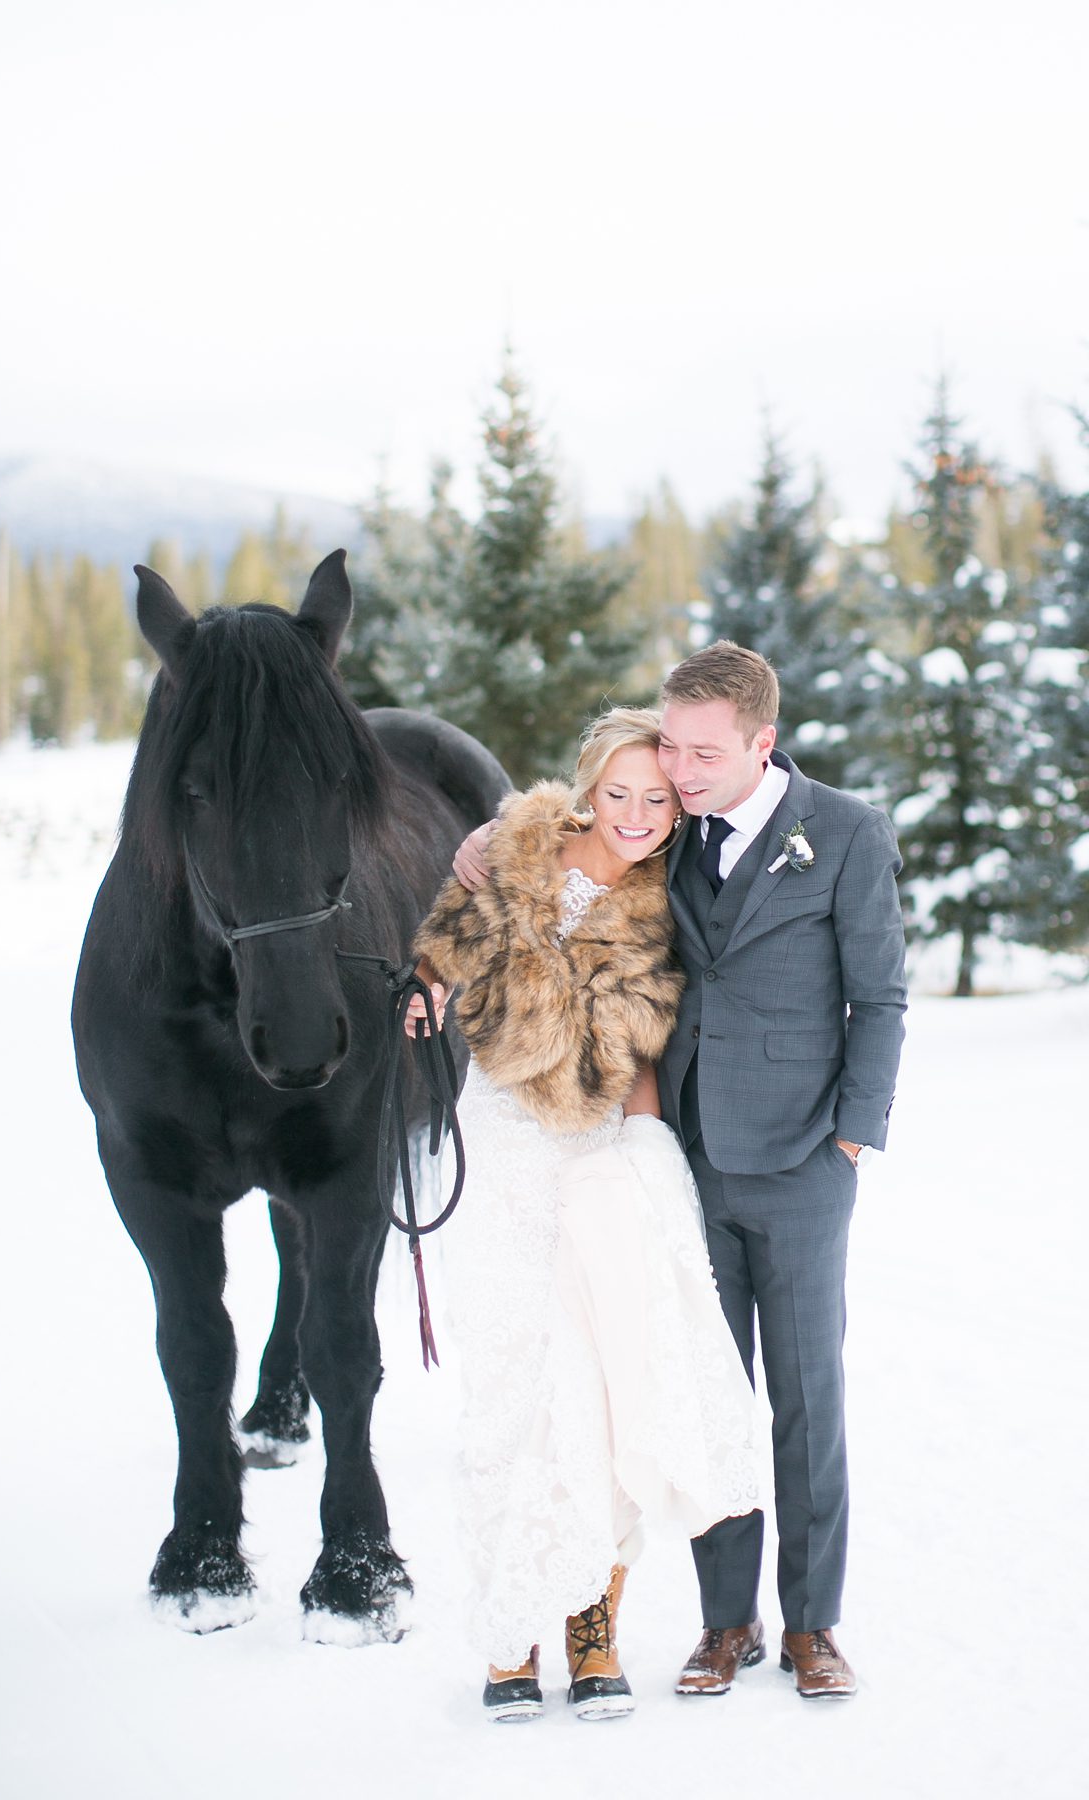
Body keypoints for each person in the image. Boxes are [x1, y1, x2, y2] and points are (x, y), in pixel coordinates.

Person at [452, 644, 907, 1702]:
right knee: (703, 1390)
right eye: (673, 748)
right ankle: (724, 1623)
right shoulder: (667, 825)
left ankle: (814, 1627)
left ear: (763, 743)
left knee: (807, 1399)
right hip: (686, 1156)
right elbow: (574, 833)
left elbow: (880, 997)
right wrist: (489, 839)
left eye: (705, 753)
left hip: (802, 1158)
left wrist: (853, 1135)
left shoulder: (844, 832)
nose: (681, 770)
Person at [408, 708, 761, 1724]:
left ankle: (590, 1627)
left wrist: (645, 1156)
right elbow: (441, 959)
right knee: (510, 1395)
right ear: (586, 790)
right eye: (618, 794)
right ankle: (509, 1634)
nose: (638, 814)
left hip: (596, 1154)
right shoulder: (513, 860)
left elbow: (645, 1056)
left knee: (603, 1395)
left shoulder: (668, 901)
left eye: (657, 798)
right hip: (500, 1145)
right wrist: (424, 993)